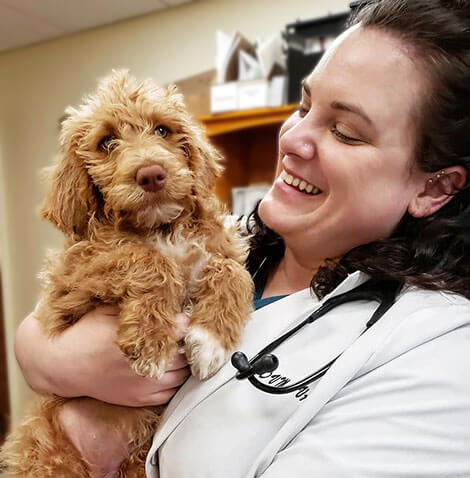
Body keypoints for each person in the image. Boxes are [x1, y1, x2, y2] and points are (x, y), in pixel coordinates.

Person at [14, 0, 470, 476]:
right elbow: (42, 326)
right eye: (304, 106)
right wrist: (51, 359)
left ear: (433, 187)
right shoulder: (229, 243)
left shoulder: (439, 355)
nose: (292, 139)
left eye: (346, 132)